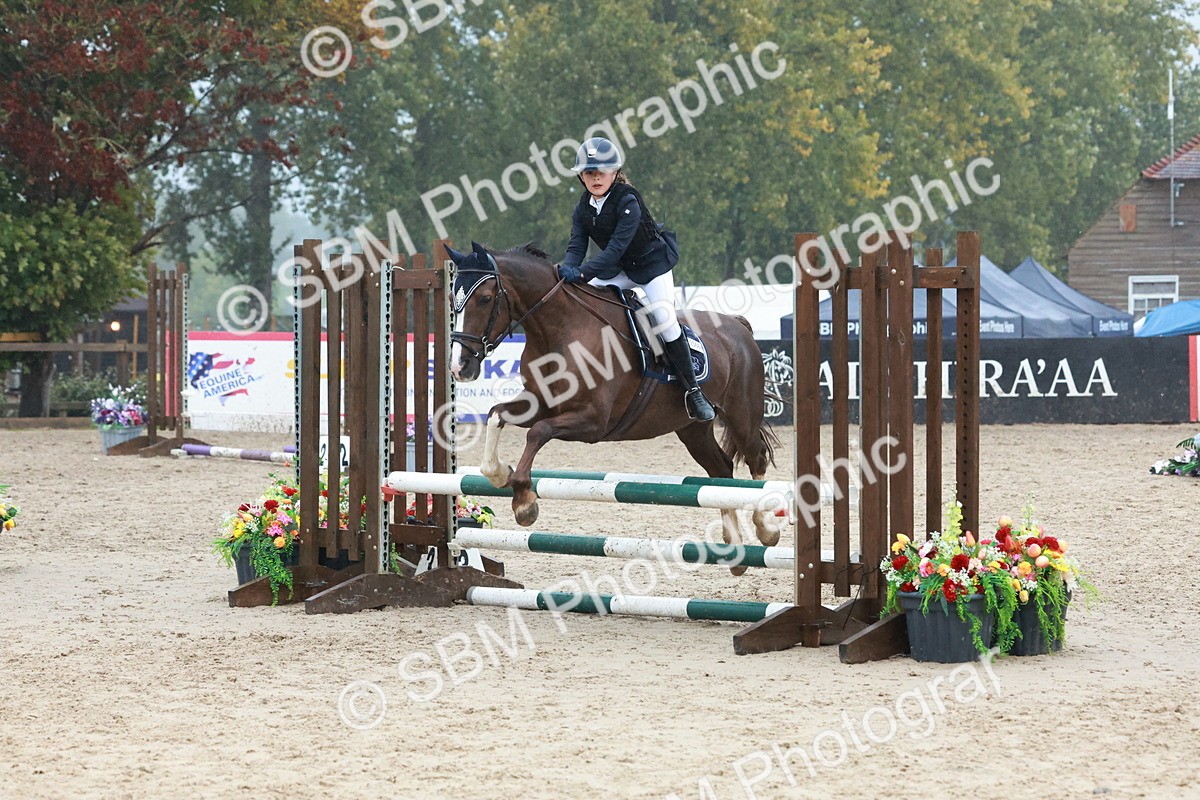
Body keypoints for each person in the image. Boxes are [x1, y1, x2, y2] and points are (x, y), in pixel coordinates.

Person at [556, 137, 715, 422]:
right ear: (581, 176)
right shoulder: (583, 208)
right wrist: (568, 267)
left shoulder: (628, 200)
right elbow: (576, 246)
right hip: (618, 270)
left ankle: (693, 391)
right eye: (589, 173)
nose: (595, 178)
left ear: (615, 172)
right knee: (583, 303)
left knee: (666, 322)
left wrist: (581, 273)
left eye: (601, 172)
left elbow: (617, 247)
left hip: (650, 269)